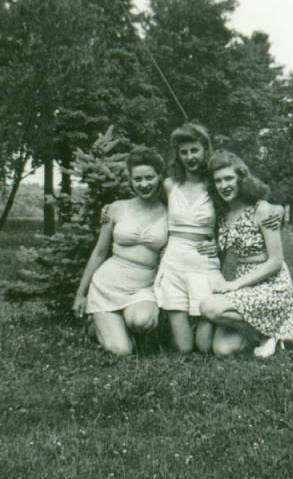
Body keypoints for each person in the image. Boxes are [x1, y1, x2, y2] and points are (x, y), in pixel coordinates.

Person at [200, 150, 293, 358]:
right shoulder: (222, 215)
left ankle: (272, 334)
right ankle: (271, 335)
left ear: (241, 178)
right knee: (222, 349)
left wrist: (235, 285)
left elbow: (275, 261)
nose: (224, 185)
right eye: (218, 181)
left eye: (229, 178)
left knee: (209, 307)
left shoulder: (262, 210)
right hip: (244, 283)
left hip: (270, 284)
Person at [73, 146, 168, 356]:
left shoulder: (169, 213)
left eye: (149, 177)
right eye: (138, 179)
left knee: (141, 322)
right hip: (107, 286)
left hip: (143, 288)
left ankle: (125, 326)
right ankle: (99, 324)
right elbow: (99, 252)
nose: (144, 184)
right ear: (131, 181)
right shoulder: (116, 209)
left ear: (160, 177)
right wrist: (81, 293)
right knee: (122, 352)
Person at [153, 122, 223, 353]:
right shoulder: (170, 184)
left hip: (204, 262)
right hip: (174, 261)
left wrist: (219, 245)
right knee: (183, 349)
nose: (190, 157)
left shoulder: (215, 184)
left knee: (205, 348)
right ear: (178, 155)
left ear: (205, 149)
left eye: (195, 150)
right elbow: (148, 207)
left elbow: (239, 210)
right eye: (184, 152)